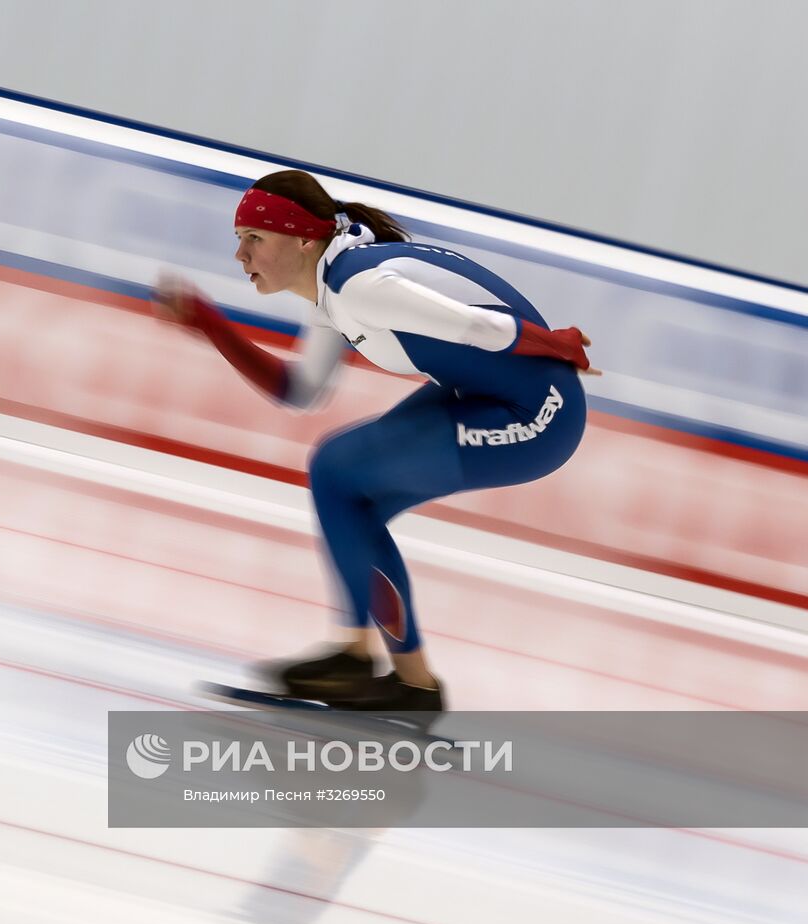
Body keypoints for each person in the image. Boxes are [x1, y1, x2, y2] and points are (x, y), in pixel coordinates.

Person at [153, 170, 596, 711]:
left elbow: (482, 328)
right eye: (240, 240)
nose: (241, 257)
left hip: (538, 416)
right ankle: (407, 682)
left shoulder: (361, 285)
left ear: (301, 239)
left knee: (338, 468)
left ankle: (358, 659)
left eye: (255, 239)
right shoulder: (331, 288)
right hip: (480, 394)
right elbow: (301, 390)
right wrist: (208, 323)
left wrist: (559, 344)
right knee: (343, 488)